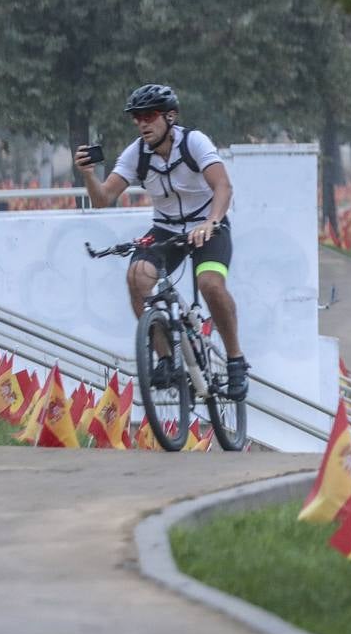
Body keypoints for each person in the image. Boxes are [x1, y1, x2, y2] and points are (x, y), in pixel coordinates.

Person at [76, 84, 247, 400]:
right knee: (137, 277)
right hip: (166, 230)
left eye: (150, 116)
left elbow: (223, 186)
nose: (143, 123)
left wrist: (210, 222)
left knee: (210, 284)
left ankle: (236, 360)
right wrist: (88, 174)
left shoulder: (194, 142)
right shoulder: (136, 153)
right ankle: (166, 359)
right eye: (137, 117)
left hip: (208, 226)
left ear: (170, 117)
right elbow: (103, 197)